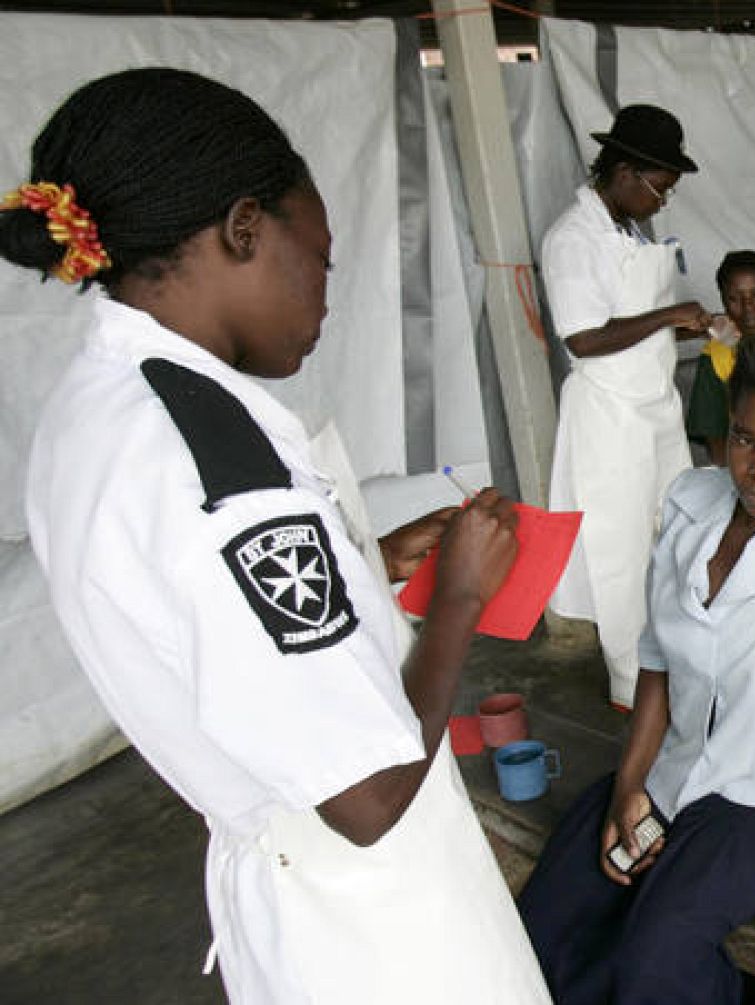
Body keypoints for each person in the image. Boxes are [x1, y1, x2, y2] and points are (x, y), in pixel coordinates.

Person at [4, 69, 550, 1004]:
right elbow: (368, 795)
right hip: (379, 928)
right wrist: (458, 597)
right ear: (244, 228)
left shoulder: (97, 407)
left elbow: (203, 618)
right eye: (322, 259)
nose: (325, 296)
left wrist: (358, 569)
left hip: (293, 901)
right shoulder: (220, 466)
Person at [517, 327, 755, 1004]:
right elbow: (659, 662)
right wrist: (629, 787)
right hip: (672, 766)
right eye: (746, 438)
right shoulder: (691, 501)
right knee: (550, 914)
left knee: (659, 954)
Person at [543, 104, 712, 710]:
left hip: (654, 408)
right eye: (660, 189)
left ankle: (674, 652)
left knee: (678, 531)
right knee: (621, 548)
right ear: (625, 173)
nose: (663, 203)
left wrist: (692, 328)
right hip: (610, 417)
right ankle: (628, 680)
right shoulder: (572, 239)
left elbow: (638, 329)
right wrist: (670, 314)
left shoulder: (629, 232)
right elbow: (585, 338)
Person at [683, 249, 755, 465]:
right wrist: (732, 480)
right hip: (749, 466)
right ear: (723, 301)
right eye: (735, 299)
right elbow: (715, 436)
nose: (748, 307)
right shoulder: (716, 356)